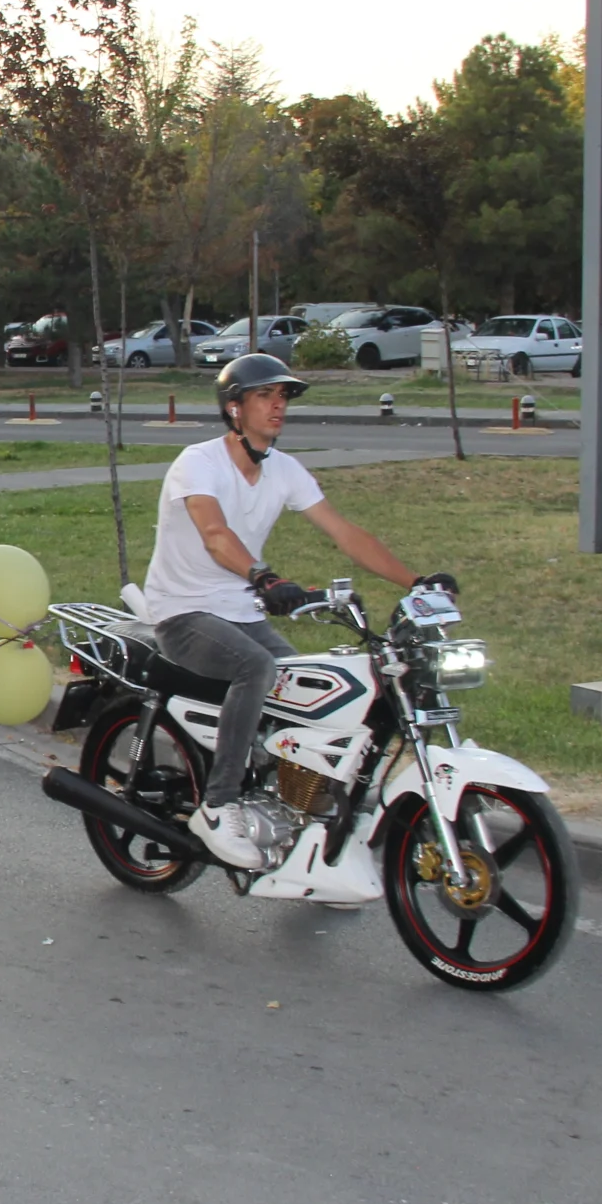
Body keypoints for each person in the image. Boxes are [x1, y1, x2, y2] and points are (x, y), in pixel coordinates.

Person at [140, 353, 453, 869]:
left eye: (283, 396)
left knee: (312, 687)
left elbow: (345, 533)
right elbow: (216, 536)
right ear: (234, 409)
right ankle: (218, 806)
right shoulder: (198, 463)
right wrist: (263, 576)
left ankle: (295, 806)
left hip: (240, 612)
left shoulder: (284, 470)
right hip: (183, 612)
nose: (278, 405)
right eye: (265, 396)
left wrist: (417, 582)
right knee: (256, 667)